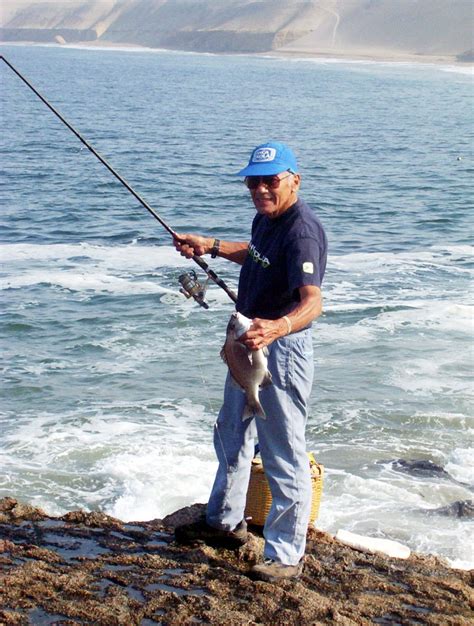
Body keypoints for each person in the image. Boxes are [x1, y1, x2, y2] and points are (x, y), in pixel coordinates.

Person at [173, 141, 327, 582]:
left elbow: (313, 302)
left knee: (282, 452)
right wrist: (212, 245)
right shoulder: (267, 218)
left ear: (294, 179)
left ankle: (285, 554)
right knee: (231, 432)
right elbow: (257, 254)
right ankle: (223, 523)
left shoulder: (303, 231)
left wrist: (279, 327)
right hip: (246, 341)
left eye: (271, 180)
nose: (260, 188)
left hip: (281, 350)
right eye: (253, 181)